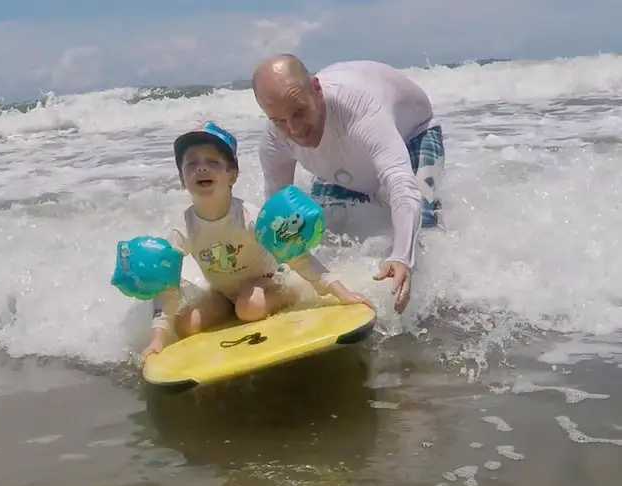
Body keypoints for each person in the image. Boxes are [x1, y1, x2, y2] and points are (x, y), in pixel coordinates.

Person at [110, 121, 375, 360]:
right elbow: (166, 289)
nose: (201, 167)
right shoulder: (183, 228)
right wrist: (157, 340)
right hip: (223, 293)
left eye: (213, 162)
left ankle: (288, 292)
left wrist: (340, 293)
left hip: (267, 282)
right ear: (182, 179)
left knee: (250, 308)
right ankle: (232, 308)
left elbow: (296, 256)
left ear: (232, 175)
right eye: (191, 163)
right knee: (186, 325)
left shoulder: (250, 217)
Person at [252, 54, 446, 314]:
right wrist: (273, 271)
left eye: (299, 112)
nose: (294, 129)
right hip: (348, 153)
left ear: (317, 90)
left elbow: (401, 183)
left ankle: (435, 310)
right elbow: (278, 211)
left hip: (414, 133)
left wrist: (401, 257)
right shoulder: (275, 139)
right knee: (329, 227)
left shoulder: (360, 109)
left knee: (422, 227)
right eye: (279, 121)